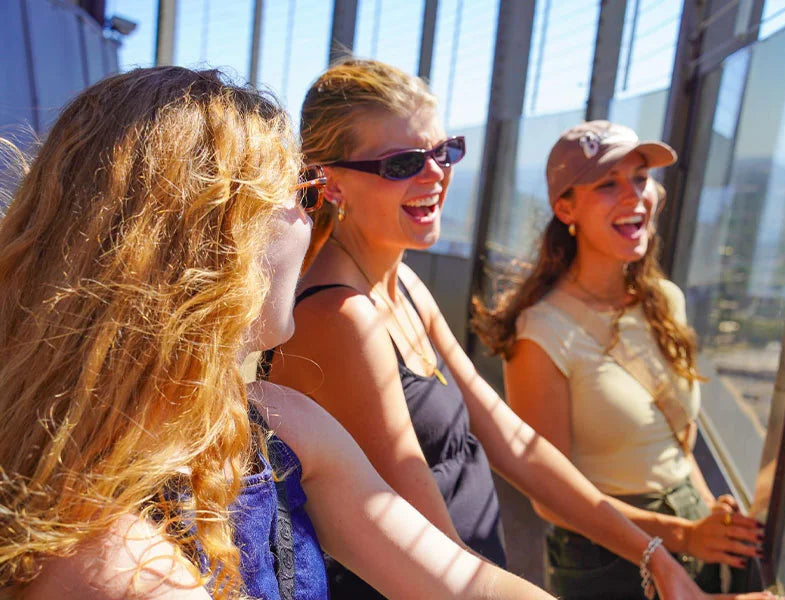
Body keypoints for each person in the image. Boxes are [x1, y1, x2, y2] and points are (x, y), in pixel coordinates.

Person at [0, 66, 557, 600]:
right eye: (299, 193)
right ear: (216, 238)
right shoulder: (122, 568)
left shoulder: (274, 420)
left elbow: (465, 584)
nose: (308, 223)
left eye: (443, 152)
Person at [267, 59, 774, 600]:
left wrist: (654, 552)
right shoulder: (341, 318)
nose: (435, 173)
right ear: (333, 183)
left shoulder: (404, 284)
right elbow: (434, 551)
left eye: (444, 152)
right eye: (403, 163)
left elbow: (515, 443)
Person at [472, 120, 765, 598]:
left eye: (640, 178)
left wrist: (707, 516)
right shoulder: (542, 332)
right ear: (566, 207)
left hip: (690, 532)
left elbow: (677, 444)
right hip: (604, 557)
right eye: (608, 184)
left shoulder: (664, 301)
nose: (634, 196)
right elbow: (551, 500)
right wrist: (684, 535)